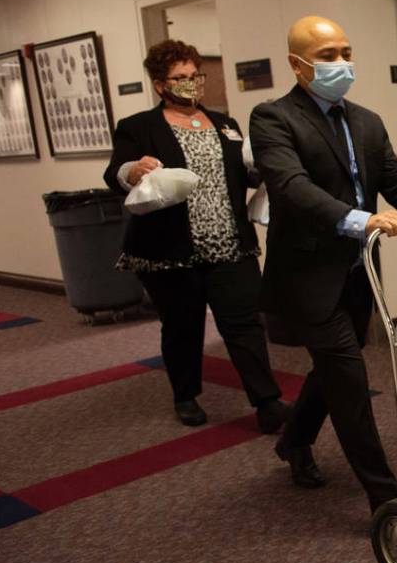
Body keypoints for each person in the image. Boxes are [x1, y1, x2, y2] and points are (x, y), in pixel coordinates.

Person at [250, 16, 397, 500]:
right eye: (328, 56)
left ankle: (294, 441)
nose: (342, 64)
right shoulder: (273, 118)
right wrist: (360, 218)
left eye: (346, 53)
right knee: (349, 381)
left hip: (357, 272)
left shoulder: (366, 120)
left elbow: (395, 176)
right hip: (308, 275)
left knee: (330, 372)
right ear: (297, 64)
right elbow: (291, 188)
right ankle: (386, 498)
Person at [104, 39, 288, 431]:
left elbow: (242, 173)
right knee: (182, 327)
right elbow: (115, 173)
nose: (190, 84)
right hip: (170, 252)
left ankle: (268, 402)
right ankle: (185, 395)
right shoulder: (139, 127)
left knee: (245, 326)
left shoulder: (226, 124)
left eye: (195, 76)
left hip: (230, 246)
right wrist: (133, 170)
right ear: (160, 84)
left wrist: (266, 168)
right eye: (179, 78)